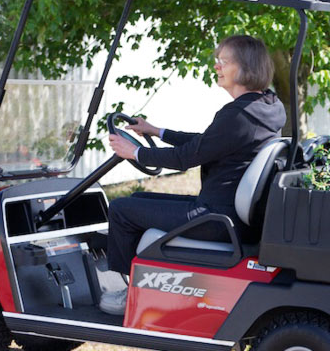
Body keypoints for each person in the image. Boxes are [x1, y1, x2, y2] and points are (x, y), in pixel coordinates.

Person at [99, 35, 286, 315]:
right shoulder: (266, 106)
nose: (217, 67)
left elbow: (187, 158)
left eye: (224, 61)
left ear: (246, 67)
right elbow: (207, 142)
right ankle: (145, 284)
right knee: (137, 197)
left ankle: (130, 295)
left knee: (121, 209)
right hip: (230, 214)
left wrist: (134, 153)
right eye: (217, 60)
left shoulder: (238, 115)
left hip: (216, 219)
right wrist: (157, 132)